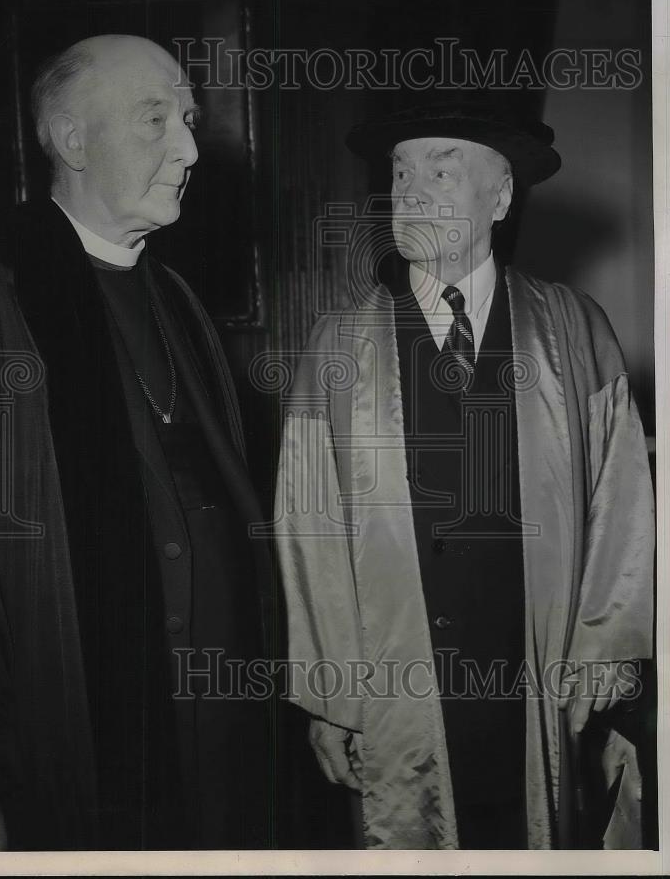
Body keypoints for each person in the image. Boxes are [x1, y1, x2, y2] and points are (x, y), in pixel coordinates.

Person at [0, 34, 272, 851]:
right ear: (73, 140)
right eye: (156, 120)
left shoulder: (178, 299)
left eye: (188, 119)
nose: (189, 147)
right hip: (72, 734)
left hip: (217, 746)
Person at [274, 100, 655, 850]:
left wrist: (607, 649)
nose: (411, 190)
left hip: (535, 674)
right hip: (397, 686)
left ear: (501, 195)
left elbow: (621, 501)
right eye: (399, 171)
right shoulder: (337, 345)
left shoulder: (574, 329)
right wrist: (330, 695)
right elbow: (307, 526)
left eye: (441, 168)